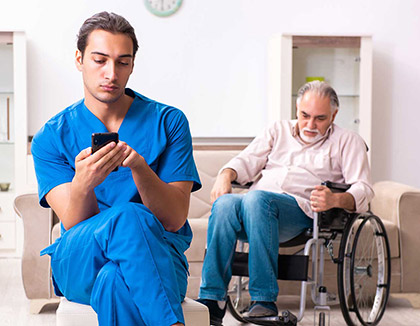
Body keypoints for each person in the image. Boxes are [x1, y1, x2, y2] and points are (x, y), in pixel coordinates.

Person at [31, 12, 201, 326]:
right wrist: (84, 184)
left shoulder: (169, 122)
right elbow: (75, 222)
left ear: (132, 65)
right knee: (128, 215)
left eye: (123, 62)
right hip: (82, 260)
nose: (111, 73)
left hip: (158, 259)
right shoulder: (50, 138)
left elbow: (174, 219)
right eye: (100, 60)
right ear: (79, 59)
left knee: (114, 279)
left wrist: (139, 167)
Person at [197, 81, 374, 326]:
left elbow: (363, 188)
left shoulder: (348, 141)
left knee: (258, 199)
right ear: (296, 108)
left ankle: (263, 300)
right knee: (226, 204)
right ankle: (212, 300)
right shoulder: (277, 131)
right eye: (305, 116)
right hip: (255, 209)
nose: (310, 125)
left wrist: (335, 199)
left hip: (298, 214)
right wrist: (225, 174)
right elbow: (245, 161)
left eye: (320, 118)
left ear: (334, 114)